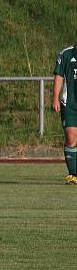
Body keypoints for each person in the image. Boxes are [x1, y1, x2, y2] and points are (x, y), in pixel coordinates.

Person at [52, 37, 77, 184]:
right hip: (70, 103)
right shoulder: (66, 54)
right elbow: (59, 76)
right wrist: (55, 97)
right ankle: (73, 174)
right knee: (71, 137)